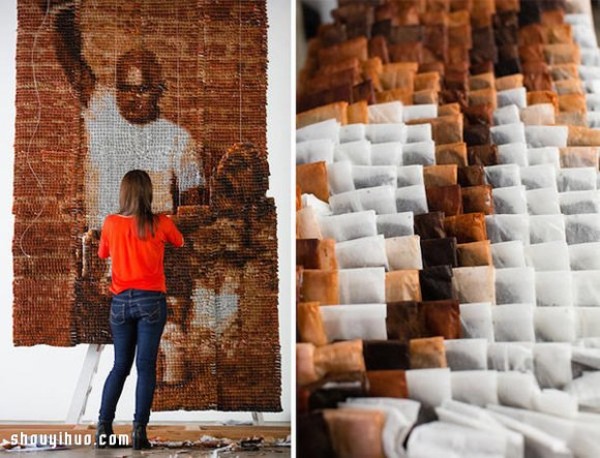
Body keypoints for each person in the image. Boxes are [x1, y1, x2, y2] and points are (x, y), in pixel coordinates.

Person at [44, 0, 205, 230]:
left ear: (159, 90)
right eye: (124, 88)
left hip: (149, 248)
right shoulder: (103, 111)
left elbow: (194, 207)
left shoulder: (178, 139)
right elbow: (73, 66)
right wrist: (60, 17)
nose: (131, 97)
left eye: (141, 89)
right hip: (102, 242)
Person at [95, 170, 184, 450]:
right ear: (148, 193)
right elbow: (180, 241)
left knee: (120, 366)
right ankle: (139, 434)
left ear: (123, 193)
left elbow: (102, 254)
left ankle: (103, 428)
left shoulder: (110, 223)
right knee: (145, 368)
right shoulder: (161, 223)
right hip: (151, 302)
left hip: (120, 304)